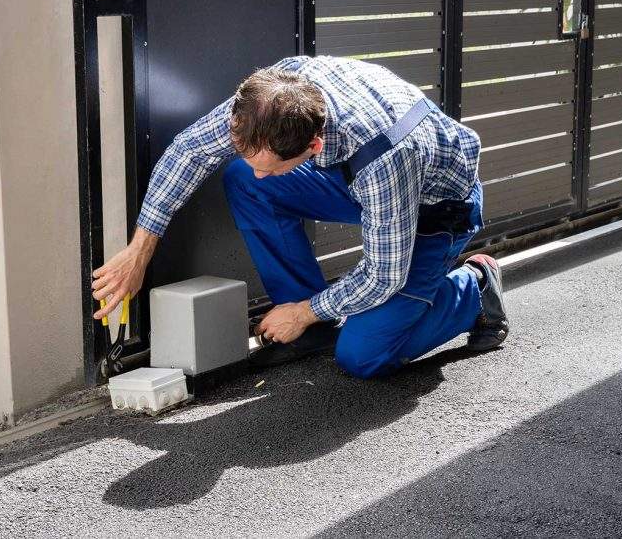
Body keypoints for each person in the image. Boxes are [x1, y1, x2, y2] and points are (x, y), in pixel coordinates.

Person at [91, 55, 509, 378]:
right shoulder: (271, 99)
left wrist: (304, 311)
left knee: (363, 357)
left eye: (271, 165)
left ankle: (474, 290)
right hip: (366, 185)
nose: (261, 172)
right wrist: (139, 250)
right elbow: (189, 151)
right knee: (243, 180)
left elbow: (383, 276)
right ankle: (312, 330)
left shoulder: (384, 155)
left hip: (435, 208)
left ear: (311, 146)